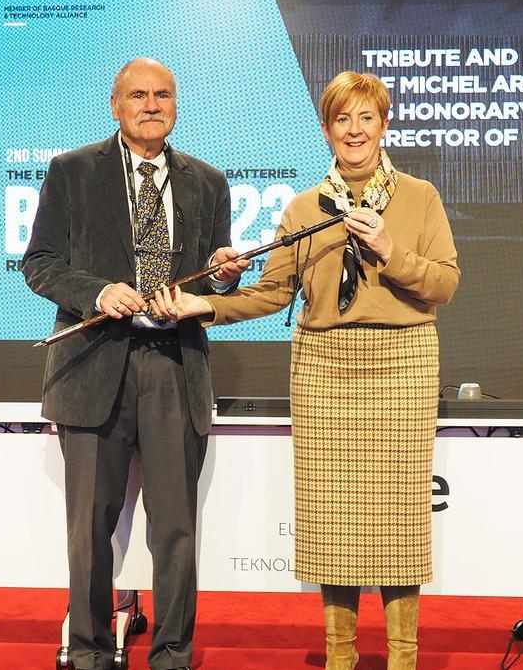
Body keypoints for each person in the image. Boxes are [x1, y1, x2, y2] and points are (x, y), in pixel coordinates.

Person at [151, 70, 459, 670]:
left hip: (403, 364)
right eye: (342, 120)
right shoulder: (303, 208)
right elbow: (271, 294)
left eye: (365, 117)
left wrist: (391, 253)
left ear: (384, 124)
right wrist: (204, 303)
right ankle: (339, 657)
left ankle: (403, 658)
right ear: (325, 131)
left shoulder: (420, 197)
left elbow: (444, 283)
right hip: (323, 366)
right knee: (333, 523)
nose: (354, 130)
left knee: (398, 522)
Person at [21, 57, 247, 670]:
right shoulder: (71, 173)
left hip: (175, 367)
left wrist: (222, 278)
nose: (152, 104)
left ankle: (173, 654)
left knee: (175, 530)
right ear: (116, 106)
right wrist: (97, 292)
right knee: (90, 532)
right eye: (138, 95)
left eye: (164, 95)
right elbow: (39, 262)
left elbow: (213, 286)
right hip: (94, 366)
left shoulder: (208, 182)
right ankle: (90, 651)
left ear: (176, 106)